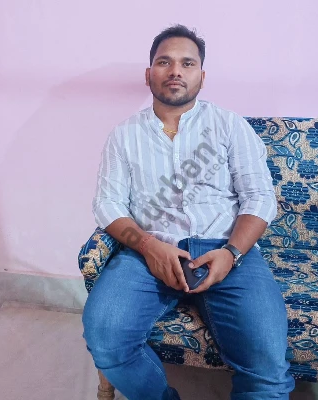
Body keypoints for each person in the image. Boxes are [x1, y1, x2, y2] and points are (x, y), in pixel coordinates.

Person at [82, 24, 295, 400]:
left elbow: (259, 198)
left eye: (187, 63)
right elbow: (107, 204)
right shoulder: (124, 135)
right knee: (105, 339)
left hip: (226, 250)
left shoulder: (230, 126)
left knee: (267, 369)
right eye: (164, 62)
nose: (175, 71)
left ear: (202, 76)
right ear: (148, 74)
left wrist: (232, 253)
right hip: (150, 252)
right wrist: (149, 247)